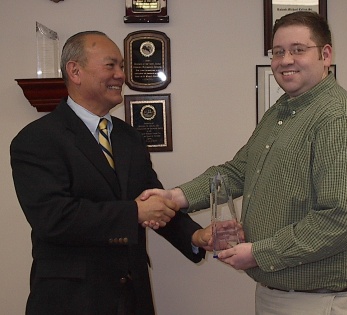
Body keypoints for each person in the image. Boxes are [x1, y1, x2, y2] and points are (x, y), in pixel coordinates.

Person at [141, 11, 347, 315]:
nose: (285, 60)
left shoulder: (342, 120)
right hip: (282, 292)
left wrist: (259, 253)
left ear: (326, 55)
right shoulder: (283, 110)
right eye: (278, 52)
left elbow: (340, 219)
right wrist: (173, 197)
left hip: (324, 301)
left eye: (298, 49)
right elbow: (238, 171)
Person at [10, 31, 211, 315]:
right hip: (70, 301)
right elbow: (53, 218)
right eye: (111, 65)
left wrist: (196, 236)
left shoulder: (129, 137)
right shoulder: (37, 139)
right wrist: (134, 213)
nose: (121, 75)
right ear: (75, 71)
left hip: (132, 298)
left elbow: (152, 200)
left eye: (122, 66)